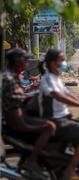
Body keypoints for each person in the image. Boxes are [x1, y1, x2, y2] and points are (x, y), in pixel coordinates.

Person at [40, 49, 79, 180]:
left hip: (63, 117)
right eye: (61, 60)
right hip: (56, 120)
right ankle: (70, 170)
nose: (64, 63)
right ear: (53, 63)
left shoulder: (56, 78)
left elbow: (68, 94)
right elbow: (58, 96)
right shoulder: (48, 79)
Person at [2, 48, 56, 178]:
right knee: (50, 127)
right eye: (24, 61)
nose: (26, 64)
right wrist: (36, 96)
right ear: (17, 62)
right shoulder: (8, 79)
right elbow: (17, 100)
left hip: (20, 114)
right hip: (18, 120)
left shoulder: (15, 76)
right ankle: (32, 161)